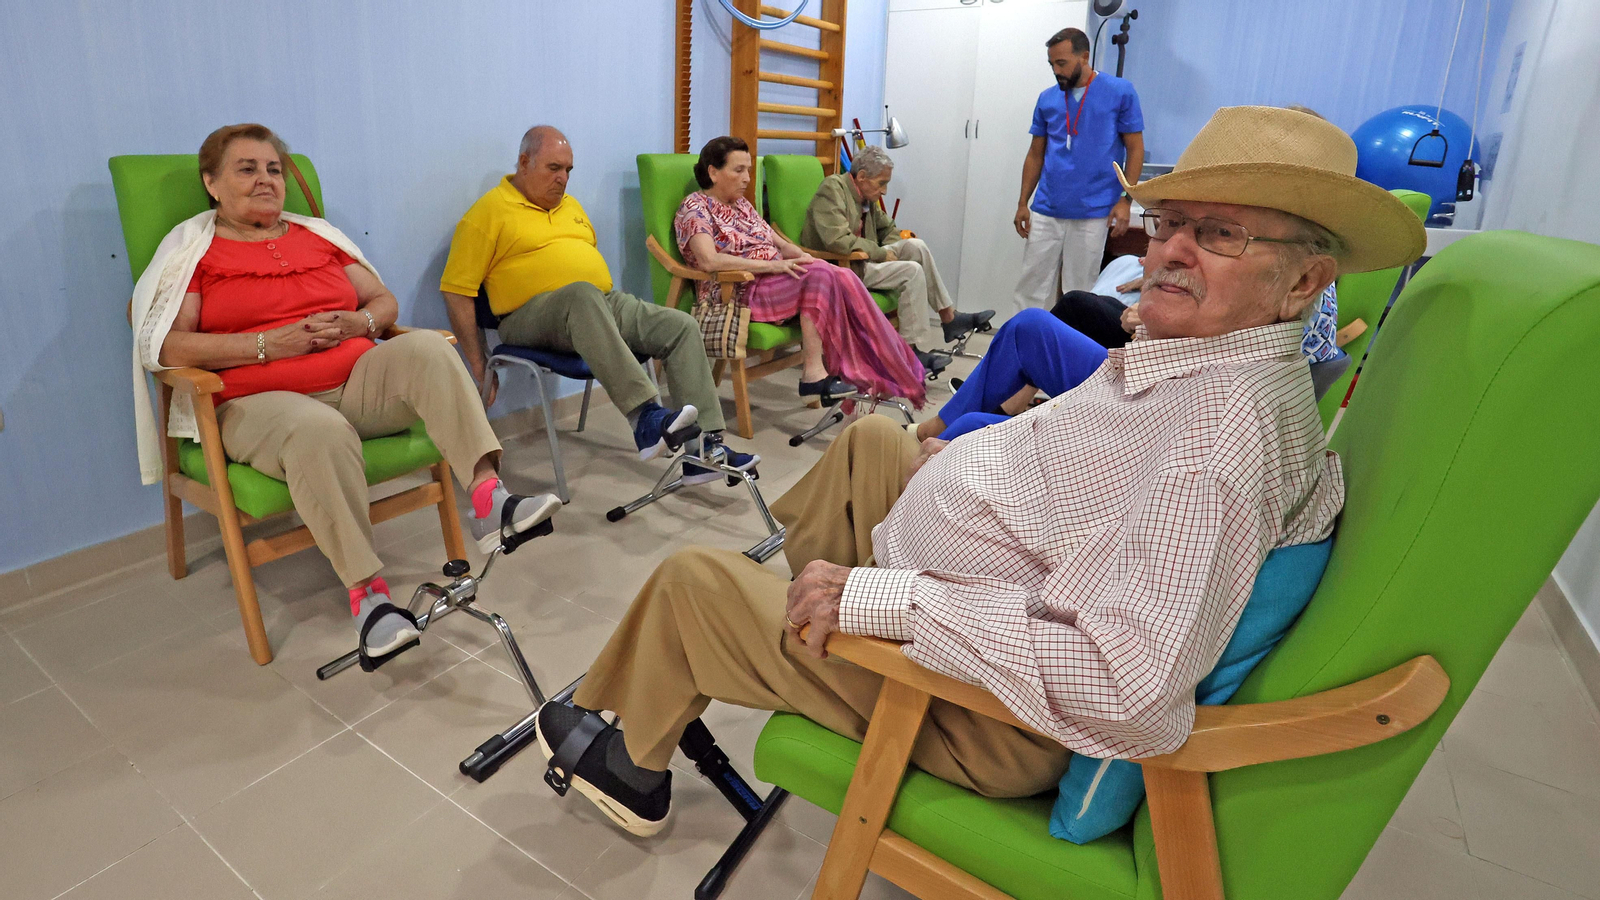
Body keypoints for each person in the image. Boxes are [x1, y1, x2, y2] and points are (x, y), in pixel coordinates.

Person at [529, 106, 1424, 837]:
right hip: (986, 597)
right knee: (880, 441)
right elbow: (1090, 469)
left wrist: (885, 601)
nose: (1168, 252)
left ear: (1305, 283)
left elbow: (1128, 691)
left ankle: (637, 759)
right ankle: (773, 617)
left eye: (1218, 234)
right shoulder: (1211, 364)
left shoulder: (1224, 436)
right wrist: (976, 454)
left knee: (693, 582)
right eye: (1170, 224)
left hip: (988, 711)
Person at [130, 124, 559, 659]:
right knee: (320, 430)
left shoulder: (316, 238)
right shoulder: (200, 255)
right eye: (247, 169)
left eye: (273, 169)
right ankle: (370, 601)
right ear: (211, 183)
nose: (265, 180)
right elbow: (169, 346)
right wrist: (265, 345)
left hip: (355, 382)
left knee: (428, 347)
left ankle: (489, 498)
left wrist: (359, 324)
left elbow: (383, 302)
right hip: (255, 404)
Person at [440, 126, 757, 484]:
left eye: (568, 171)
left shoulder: (571, 207)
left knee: (679, 325)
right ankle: (645, 419)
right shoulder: (487, 213)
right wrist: (479, 364)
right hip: (527, 316)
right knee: (581, 294)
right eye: (553, 168)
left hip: (597, 304)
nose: (563, 179)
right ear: (524, 162)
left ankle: (703, 450)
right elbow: (456, 291)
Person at [912, 271, 1348, 442]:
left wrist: (1152, 321)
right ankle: (981, 411)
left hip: (1161, 397)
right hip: (1161, 379)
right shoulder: (1298, 282)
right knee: (1047, 319)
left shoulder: (1274, 291)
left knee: (1060, 315)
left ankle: (979, 413)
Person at [673, 136, 928, 409]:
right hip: (737, 291)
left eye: (748, 169)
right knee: (819, 277)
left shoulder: (742, 205)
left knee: (840, 274)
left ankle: (890, 359)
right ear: (713, 172)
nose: (747, 178)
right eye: (738, 170)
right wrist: (774, 266)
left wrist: (802, 256)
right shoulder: (694, 207)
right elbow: (709, 261)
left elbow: (777, 241)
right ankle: (821, 372)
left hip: (775, 282)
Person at [798, 145, 994, 369]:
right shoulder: (832, 189)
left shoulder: (865, 196)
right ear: (862, 177)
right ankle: (910, 353)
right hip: (841, 268)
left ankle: (949, 318)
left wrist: (893, 248)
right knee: (911, 271)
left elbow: (888, 228)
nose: (884, 191)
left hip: (862, 260)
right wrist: (881, 253)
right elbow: (837, 240)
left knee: (915, 245)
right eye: (882, 183)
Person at [1013, 27, 1145, 314]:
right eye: (1051, 64)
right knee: (1031, 287)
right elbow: (1036, 154)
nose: (1056, 71)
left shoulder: (1120, 92)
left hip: (1094, 209)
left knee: (1080, 290)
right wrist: (1023, 202)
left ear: (1084, 57)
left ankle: (1072, 353)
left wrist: (1126, 199)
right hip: (1047, 207)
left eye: (1062, 63)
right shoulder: (1047, 99)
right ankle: (1025, 347)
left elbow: (1135, 149)